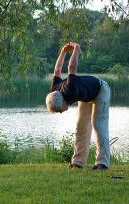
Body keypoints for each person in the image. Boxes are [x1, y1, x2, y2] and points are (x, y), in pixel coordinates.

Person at [45, 42, 111, 171]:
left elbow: (71, 67)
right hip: (86, 96)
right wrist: (63, 52)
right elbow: (57, 70)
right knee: (81, 127)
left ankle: (102, 163)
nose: (62, 112)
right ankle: (78, 162)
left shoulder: (70, 89)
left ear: (63, 101)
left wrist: (76, 49)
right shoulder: (55, 90)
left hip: (101, 90)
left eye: (60, 110)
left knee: (98, 125)